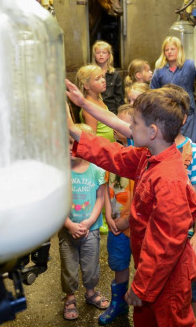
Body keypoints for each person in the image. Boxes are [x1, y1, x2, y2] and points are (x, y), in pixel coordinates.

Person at [66, 80, 196, 327]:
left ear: (152, 132)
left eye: (134, 123)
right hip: (152, 273)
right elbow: (113, 155)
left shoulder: (169, 180)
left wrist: (141, 287)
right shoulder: (149, 156)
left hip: (166, 282)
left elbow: (165, 246)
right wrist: (74, 131)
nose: (129, 127)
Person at [162, 84, 196, 317]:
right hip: (160, 237)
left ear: (183, 119)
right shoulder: (152, 149)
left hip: (187, 237)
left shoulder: (194, 151)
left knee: (191, 290)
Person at [61, 123, 110, 321]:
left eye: (76, 143)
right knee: (69, 267)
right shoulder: (61, 171)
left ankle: (91, 292)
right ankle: (70, 297)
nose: (71, 148)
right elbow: (55, 202)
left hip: (91, 229)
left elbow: (101, 198)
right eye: (68, 143)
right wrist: (69, 225)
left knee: (91, 266)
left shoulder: (97, 170)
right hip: (67, 228)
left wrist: (89, 222)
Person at [98, 104, 136, 325]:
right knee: (119, 264)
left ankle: (143, 304)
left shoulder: (139, 154)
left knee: (143, 266)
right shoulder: (112, 152)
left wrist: (127, 220)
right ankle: (119, 303)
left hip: (136, 225)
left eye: (119, 124)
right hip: (115, 225)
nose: (114, 127)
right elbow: (105, 186)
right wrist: (109, 217)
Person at [151, 36, 196, 142]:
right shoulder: (159, 70)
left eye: (172, 49)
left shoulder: (190, 65)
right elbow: (153, 90)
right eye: (166, 50)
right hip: (167, 112)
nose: (169, 52)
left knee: (189, 142)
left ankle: (189, 158)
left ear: (179, 50)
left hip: (187, 111)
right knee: (170, 142)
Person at [76, 64, 115, 142]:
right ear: (86, 85)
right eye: (97, 79)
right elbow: (92, 139)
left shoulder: (98, 98)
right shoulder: (89, 109)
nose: (103, 80)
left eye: (103, 77)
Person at [93, 41, 124, 114]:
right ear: (94, 55)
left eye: (104, 53)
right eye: (98, 53)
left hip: (111, 110)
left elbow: (119, 98)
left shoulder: (115, 75)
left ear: (108, 55)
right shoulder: (90, 73)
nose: (101, 55)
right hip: (95, 108)